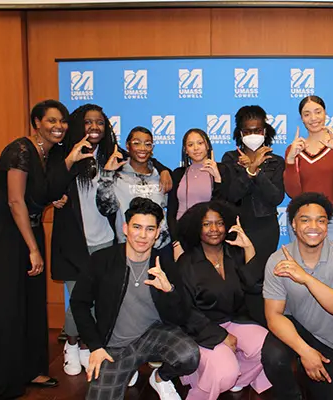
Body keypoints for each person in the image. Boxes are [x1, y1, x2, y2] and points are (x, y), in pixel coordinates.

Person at [0, 100, 94, 398]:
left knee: (31, 306)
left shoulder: (50, 154)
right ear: (36, 122)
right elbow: (16, 201)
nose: (59, 126)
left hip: (31, 229)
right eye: (52, 120)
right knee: (7, 308)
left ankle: (30, 370)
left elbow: (46, 191)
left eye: (63, 121)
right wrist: (33, 248)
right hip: (9, 235)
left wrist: (63, 176)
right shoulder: (20, 150)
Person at [49, 104, 173, 376]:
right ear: (78, 125)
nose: (94, 128)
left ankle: (87, 345)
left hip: (108, 241)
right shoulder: (64, 154)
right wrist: (58, 191)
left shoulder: (111, 154)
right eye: (88, 122)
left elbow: (143, 155)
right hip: (75, 242)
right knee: (81, 299)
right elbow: (51, 186)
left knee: (102, 299)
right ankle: (72, 342)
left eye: (100, 123)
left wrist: (165, 170)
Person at [70, 197, 200, 400]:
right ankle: (127, 370)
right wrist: (95, 346)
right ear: (125, 228)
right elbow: (79, 304)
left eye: (150, 229)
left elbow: (182, 317)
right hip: (115, 346)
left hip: (153, 336)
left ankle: (160, 378)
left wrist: (170, 291)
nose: (142, 235)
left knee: (189, 355)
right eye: (137, 227)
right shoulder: (102, 260)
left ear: (157, 233)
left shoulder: (164, 262)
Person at [168, 201, 271, 400]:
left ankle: (236, 380)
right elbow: (185, 312)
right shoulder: (186, 263)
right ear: (197, 228)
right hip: (201, 330)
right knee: (225, 372)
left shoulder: (234, 252)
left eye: (219, 223)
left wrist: (249, 248)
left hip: (233, 321)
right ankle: (205, 387)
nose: (214, 229)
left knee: (266, 346)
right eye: (207, 224)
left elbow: (253, 286)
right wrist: (220, 336)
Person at [261, 192, 333, 400]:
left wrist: (305, 277)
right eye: (305, 220)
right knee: (273, 357)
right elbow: (274, 315)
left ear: (327, 225)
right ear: (293, 225)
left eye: (320, 220)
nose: (313, 226)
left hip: (330, 336)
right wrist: (305, 351)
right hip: (295, 327)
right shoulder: (277, 259)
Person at [221, 105, 285, 326]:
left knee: (260, 280)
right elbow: (231, 194)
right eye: (247, 131)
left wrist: (257, 171)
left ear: (265, 131)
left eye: (257, 130)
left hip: (265, 229)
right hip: (237, 227)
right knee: (238, 278)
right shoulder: (230, 159)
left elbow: (275, 197)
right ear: (239, 133)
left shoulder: (275, 161)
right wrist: (248, 172)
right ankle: (238, 327)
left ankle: (263, 327)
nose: (252, 135)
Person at [283, 96, 333, 243]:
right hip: (301, 217)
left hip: (330, 218)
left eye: (318, 112)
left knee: (331, 263)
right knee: (299, 264)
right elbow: (293, 193)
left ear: (325, 114)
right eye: (307, 114)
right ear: (302, 119)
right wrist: (291, 160)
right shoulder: (294, 149)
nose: (313, 118)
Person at [96, 126, 171, 250]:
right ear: (127, 145)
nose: (142, 148)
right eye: (137, 143)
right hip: (127, 247)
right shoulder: (116, 176)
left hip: (160, 247)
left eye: (147, 144)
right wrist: (106, 175)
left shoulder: (162, 175)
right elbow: (106, 209)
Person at [167, 128, 229, 260]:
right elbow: (171, 211)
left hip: (210, 236)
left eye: (200, 143)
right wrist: (175, 242)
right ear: (185, 150)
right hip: (181, 236)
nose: (196, 148)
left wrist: (217, 178)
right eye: (190, 145)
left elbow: (223, 206)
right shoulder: (178, 173)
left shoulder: (222, 169)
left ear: (207, 145)